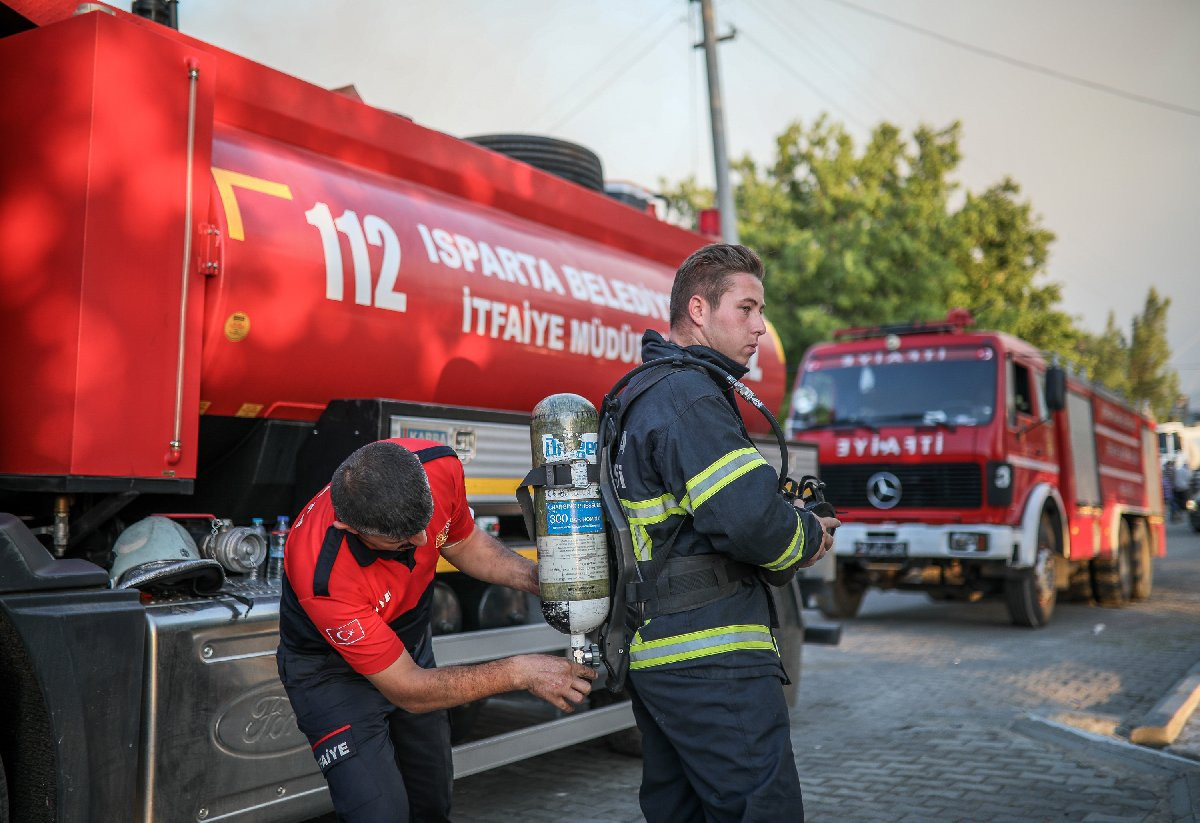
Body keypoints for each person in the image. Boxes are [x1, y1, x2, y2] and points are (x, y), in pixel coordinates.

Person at [612, 243, 840, 822]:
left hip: (664, 655)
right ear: (698, 309)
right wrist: (810, 536)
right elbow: (751, 523)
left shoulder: (646, 391)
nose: (761, 326)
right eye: (747, 308)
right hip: (714, 660)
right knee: (761, 810)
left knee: (679, 811)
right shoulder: (688, 397)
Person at [277, 438, 595, 822]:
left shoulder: (438, 465)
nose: (424, 542)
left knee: (431, 802)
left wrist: (535, 578)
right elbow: (409, 690)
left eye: (423, 524)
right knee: (380, 813)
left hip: (409, 642)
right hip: (331, 673)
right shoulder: (322, 574)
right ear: (350, 527)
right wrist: (519, 672)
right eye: (400, 541)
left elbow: (462, 543)